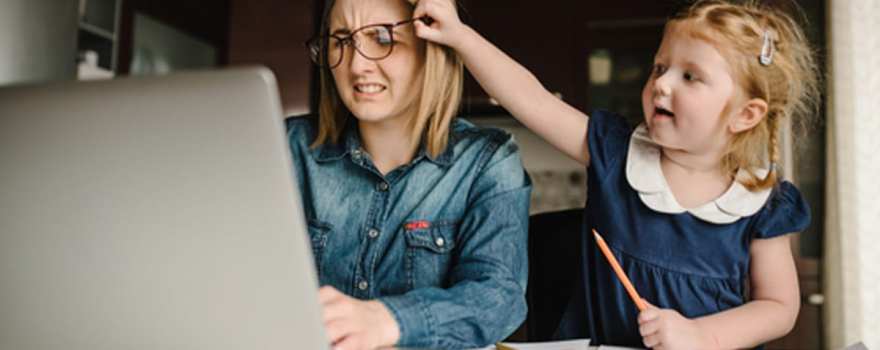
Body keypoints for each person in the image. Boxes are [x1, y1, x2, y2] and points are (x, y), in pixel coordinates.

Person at [413, 0, 820, 348]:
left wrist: (702, 337)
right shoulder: (615, 153)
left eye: (690, 76)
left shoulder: (762, 201)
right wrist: (459, 35)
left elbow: (778, 307)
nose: (661, 84)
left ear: (745, 115)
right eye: (660, 67)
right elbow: (532, 100)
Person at [286, 0, 532, 349]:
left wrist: (390, 320)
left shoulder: (486, 160)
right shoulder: (288, 148)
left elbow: (498, 297)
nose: (357, 65)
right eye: (341, 41)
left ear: (432, 48)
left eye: (382, 38)